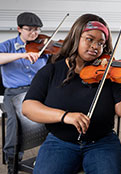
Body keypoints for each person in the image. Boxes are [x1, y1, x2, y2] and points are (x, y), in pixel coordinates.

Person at [22, 13, 121, 174]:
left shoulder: (108, 73)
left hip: (102, 141)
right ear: (76, 37)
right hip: (60, 141)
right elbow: (28, 107)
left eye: (100, 43)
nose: (95, 46)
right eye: (89, 39)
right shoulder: (51, 71)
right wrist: (66, 116)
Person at [0, 12, 49, 173]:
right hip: (14, 93)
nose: (34, 33)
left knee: (58, 111)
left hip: (38, 91)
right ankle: (12, 158)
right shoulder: (7, 45)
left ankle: (53, 153)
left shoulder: (43, 47)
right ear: (19, 29)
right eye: (30, 30)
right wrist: (22, 54)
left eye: (37, 29)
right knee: (15, 120)